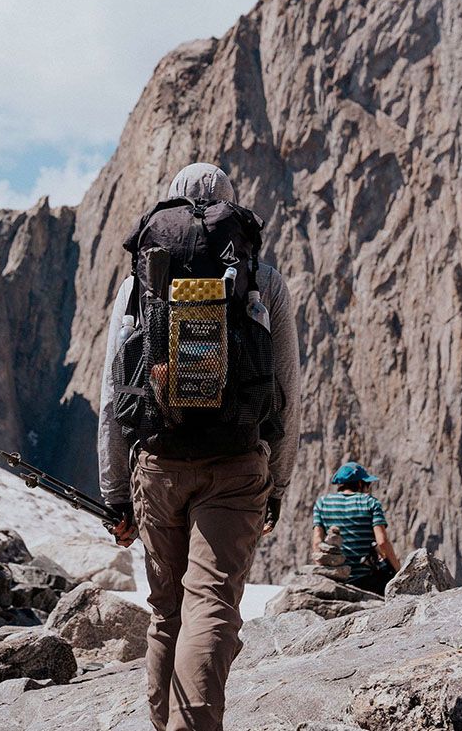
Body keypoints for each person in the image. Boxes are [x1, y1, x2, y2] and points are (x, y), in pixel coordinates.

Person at [97, 163, 301, 731]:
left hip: (158, 463)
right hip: (237, 463)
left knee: (167, 612)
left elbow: (114, 392)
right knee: (211, 605)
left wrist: (115, 494)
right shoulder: (263, 280)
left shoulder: (141, 282)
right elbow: (286, 392)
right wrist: (277, 485)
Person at [312, 461, 400, 595]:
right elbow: (382, 542)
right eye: (367, 484)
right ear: (360, 483)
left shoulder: (322, 503)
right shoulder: (370, 503)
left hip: (336, 577)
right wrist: (398, 570)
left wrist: (325, 573)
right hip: (366, 579)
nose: (368, 488)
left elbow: (317, 541)